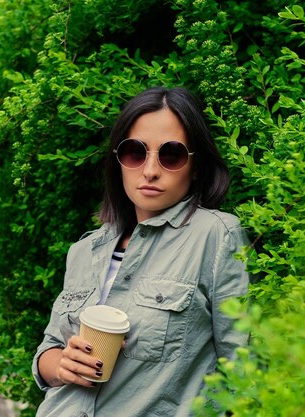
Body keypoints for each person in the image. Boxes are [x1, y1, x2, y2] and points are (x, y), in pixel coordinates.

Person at [31, 87, 250, 416]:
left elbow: (243, 370)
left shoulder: (216, 237)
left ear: (196, 166)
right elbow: (48, 350)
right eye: (135, 152)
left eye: (171, 154)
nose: (149, 170)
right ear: (118, 160)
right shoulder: (85, 249)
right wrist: (62, 364)